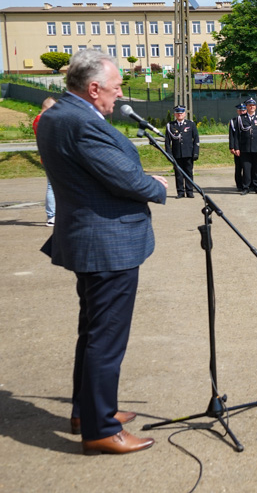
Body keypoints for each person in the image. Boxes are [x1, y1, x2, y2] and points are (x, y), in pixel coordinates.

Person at [36, 49, 168, 455]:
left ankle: (87, 410)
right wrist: (157, 184)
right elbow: (123, 178)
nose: (120, 94)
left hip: (89, 239)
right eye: (115, 87)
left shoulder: (57, 116)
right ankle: (100, 428)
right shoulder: (81, 123)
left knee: (92, 331)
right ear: (93, 89)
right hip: (107, 243)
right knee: (106, 339)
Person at [164, 105, 199, 198]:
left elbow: (196, 139)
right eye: (178, 113)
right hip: (176, 154)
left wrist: (196, 152)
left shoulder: (190, 124)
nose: (180, 115)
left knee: (189, 173)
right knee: (178, 174)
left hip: (188, 153)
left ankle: (190, 191)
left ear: (185, 114)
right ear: (175, 114)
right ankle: (180, 192)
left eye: (181, 113)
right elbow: (167, 141)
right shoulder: (170, 125)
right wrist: (169, 154)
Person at [32, 96, 57, 225]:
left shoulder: (37, 120)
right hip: (53, 157)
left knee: (52, 186)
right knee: (52, 187)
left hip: (47, 157)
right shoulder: (45, 120)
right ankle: (52, 215)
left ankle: (52, 215)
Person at [237, 97, 257, 195]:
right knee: (246, 169)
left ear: (256, 107)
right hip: (245, 148)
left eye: (253, 105)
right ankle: (246, 187)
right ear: (246, 107)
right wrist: (237, 148)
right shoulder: (241, 118)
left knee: (256, 169)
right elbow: (237, 135)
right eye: (250, 105)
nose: (252, 107)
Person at [228, 103, 246, 191]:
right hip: (237, 147)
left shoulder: (247, 120)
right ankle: (239, 185)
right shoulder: (233, 121)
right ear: (237, 111)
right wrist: (232, 147)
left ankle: (247, 184)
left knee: (247, 167)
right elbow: (232, 135)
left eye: (244, 110)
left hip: (247, 147)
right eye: (240, 110)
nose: (242, 112)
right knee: (238, 167)